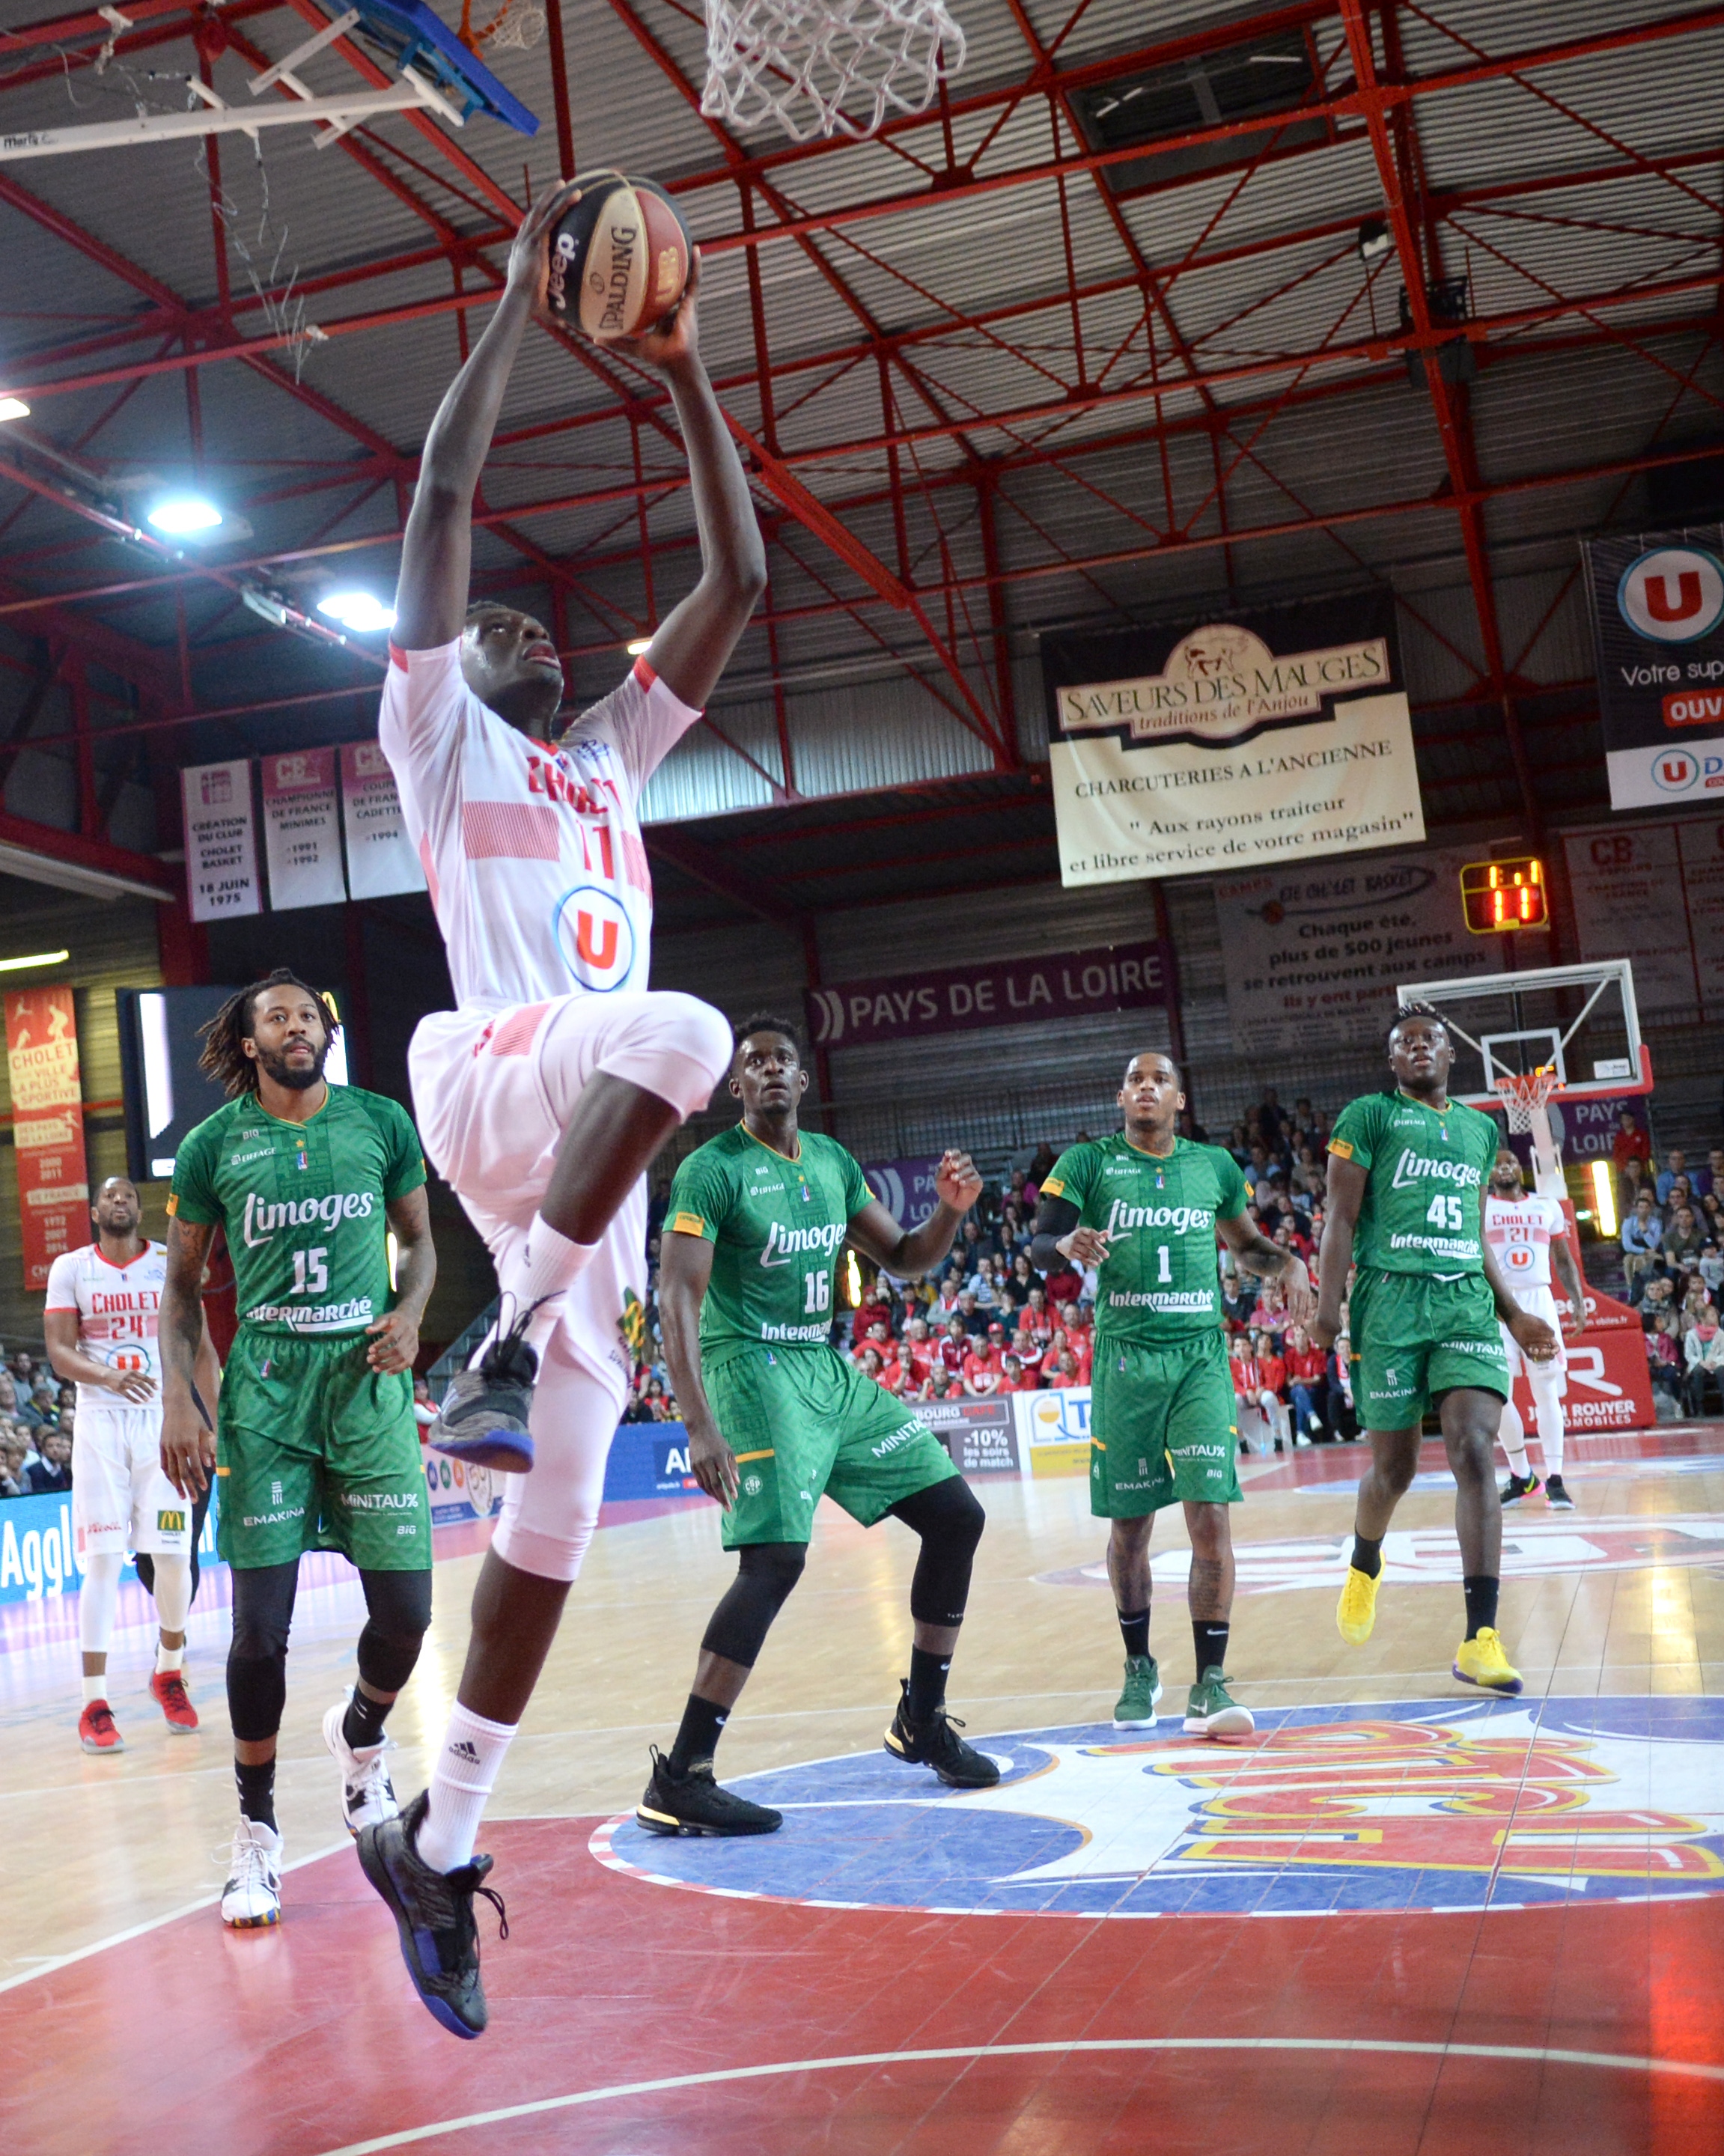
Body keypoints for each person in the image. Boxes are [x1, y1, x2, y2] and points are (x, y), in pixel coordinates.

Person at [356, 183, 763, 2041]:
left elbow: (740, 583)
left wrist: (682, 370)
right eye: (490, 619)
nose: (513, 612)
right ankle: (499, 1343)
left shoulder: (610, 759)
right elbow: (440, 503)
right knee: (692, 1020)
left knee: (558, 1529)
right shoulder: (440, 741)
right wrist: (523, 302)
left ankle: (434, 1842)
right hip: (506, 1069)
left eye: (537, 617)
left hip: (571, 1169)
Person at [635, 1018, 995, 1839]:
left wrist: (949, 1213)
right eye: (752, 1063)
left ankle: (922, 1721)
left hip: (822, 1368)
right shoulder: (709, 1170)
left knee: (954, 1517)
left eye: (781, 1061)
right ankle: (682, 1773)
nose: (768, 1071)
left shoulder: (831, 1163)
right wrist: (696, 1423)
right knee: (773, 1562)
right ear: (736, 1089)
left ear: (802, 1081)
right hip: (749, 1368)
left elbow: (905, 1257)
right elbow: (676, 1299)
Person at [159, 972, 437, 1929]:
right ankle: (257, 1831)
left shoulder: (379, 1122)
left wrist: (408, 1312)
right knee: (257, 1635)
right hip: (266, 1396)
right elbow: (182, 1288)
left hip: (366, 1385)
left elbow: (420, 1245)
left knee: (408, 1612)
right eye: (275, 1017)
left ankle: (360, 1740)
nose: (296, 1027)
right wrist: (184, 1406)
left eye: (309, 1015)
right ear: (247, 1043)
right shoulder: (211, 1147)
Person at [1031, 1051, 1314, 1737]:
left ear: (1178, 1099)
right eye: (1135, 1080)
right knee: (1129, 1529)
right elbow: (1038, 1242)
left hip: (1197, 1356)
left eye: (1159, 1080)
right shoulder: (1087, 1163)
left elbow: (1244, 1246)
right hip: (1126, 1360)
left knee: (1209, 1518)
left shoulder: (1213, 1167)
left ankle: (1209, 1681)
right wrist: (1067, 1240)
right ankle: (1139, 1667)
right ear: (1120, 1096)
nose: (1146, 1088)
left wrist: (1290, 1263)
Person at [1315, 1005, 1559, 1696]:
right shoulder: (1367, 1116)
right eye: (1404, 1043)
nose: (1418, 1048)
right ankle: (1365, 1561)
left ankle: (1480, 1637)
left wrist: (1511, 1312)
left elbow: (1473, 1234)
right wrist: (1328, 1307)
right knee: (1391, 1473)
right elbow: (1339, 1216)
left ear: (1451, 1056)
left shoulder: (1482, 1130)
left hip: (1463, 1305)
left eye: (1430, 1040)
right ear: (1393, 1062)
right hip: (1388, 1304)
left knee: (1475, 1450)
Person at [45, 1175, 221, 1755]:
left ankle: (168, 1670)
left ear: (138, 1210)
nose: (120, 1202)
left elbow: (201, 1353)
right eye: (110, 1196)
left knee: (173, 1558)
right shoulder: (71, 1268)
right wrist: (110, 1376)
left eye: (128, 1197)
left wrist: (211, 1428)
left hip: (162, 1427)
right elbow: (60, 1353)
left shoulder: (170, 1264)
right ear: (94, 1209)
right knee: (101, 1564)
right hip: (99, 1424)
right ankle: (93, 1701)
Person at [1484, 1149, 1588, 1509]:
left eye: (1510, 1162)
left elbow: (1563, 1257)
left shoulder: (1547, 1206)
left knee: (1547, 1392)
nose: (1504, 1168)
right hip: (1498, 1306)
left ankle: (1556, 1479)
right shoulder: (1480, 1208)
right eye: (1497, 1164)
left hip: (1539, 1301)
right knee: (1498, 1394)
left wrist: (1577, 1300)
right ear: (1489, 1173)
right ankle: (1521, 1475)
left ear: (1520, 1168)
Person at [1684, 1304, 1724, 1415]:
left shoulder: (1721, 1334)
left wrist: (1715, 1362)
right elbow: (1689, 1354)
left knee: (1722, 1371)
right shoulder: (1691, 1334)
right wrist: (1701, 1362)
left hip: (1716, 1362)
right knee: (1698, 1371)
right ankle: (1700, 1405)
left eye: (1716, 1315)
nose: (1716, 1317)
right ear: (1703, 1318)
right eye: (1712, 1315)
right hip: (1699, 1363)